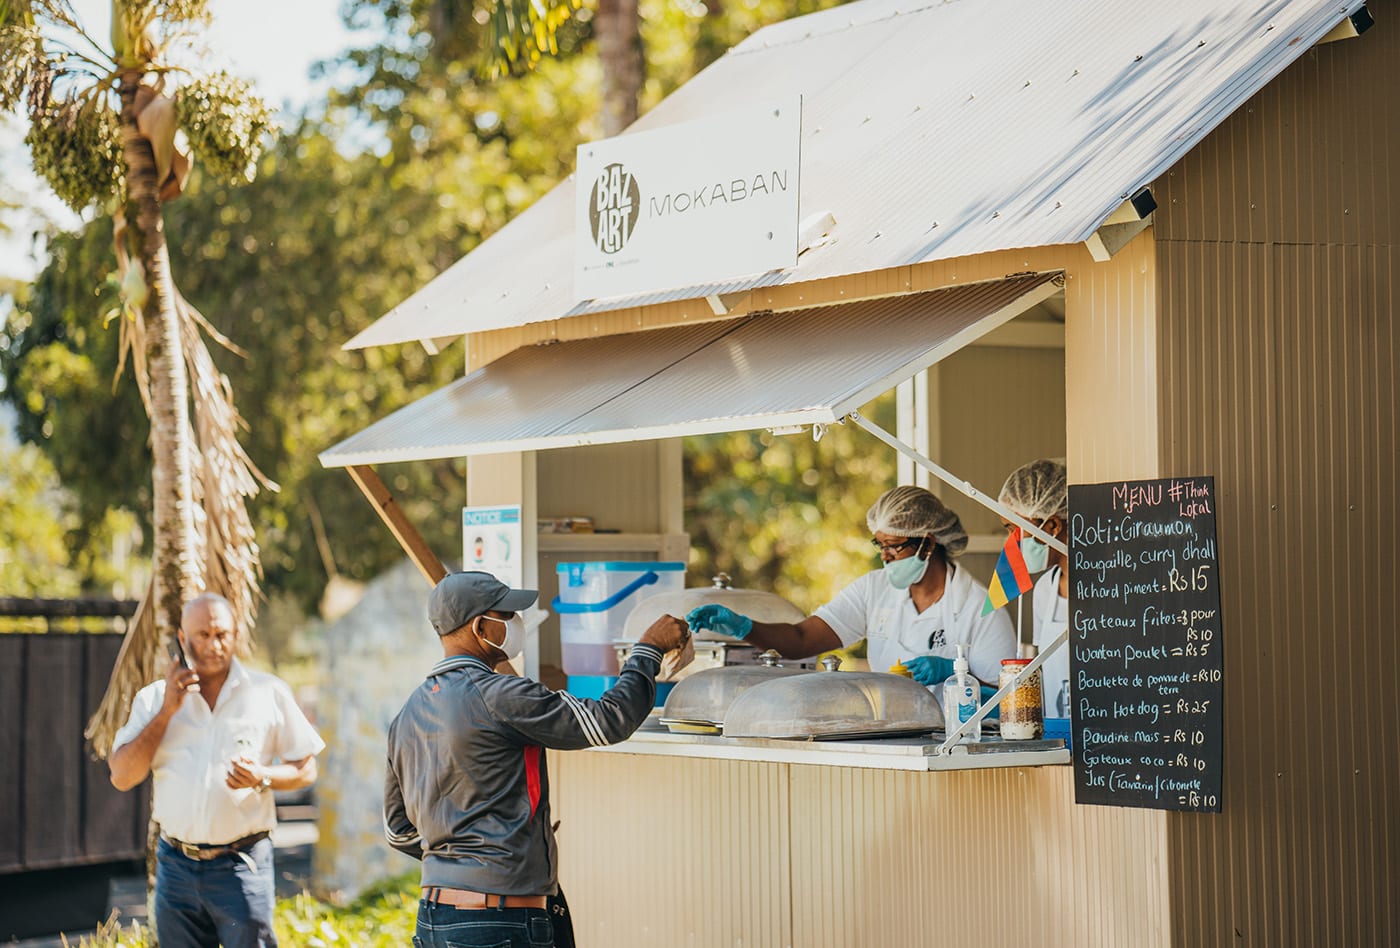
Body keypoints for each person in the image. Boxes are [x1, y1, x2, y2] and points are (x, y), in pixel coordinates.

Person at [384, 570, 690, 948]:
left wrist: (462, 859)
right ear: (481, 626)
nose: (516, 622)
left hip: (435, 918)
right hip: (500, 922)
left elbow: (399, 831)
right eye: (508, 614)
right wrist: (647, 650)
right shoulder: (500, 694)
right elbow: (608, 721)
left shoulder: (407, 714)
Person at [109, 592, 324, 947]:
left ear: (236, 634)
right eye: (202, 635)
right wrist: (167, 712)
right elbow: (122, 776)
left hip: (242, 865)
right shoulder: (153, 699)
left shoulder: (268, 692)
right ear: (182, 638)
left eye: (222, 634)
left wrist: (263, 777)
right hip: (176, 865)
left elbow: (307, 770)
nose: (213, 644)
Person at [686, 485, 1016, 701]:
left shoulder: (980, 608)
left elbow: (1008, 698)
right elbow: (802, 639)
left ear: (928, 543)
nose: (884, 556)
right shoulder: (874, 589)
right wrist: (745, 627)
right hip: (894, 733)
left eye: (894, 547)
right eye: (880, 545)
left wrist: (958, 677)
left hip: (959, 746)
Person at [998, 458, 1071, 717]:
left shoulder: (1112, 588)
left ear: (1052, 526)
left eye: (1013, 529)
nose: (1010, 542)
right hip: (1055, 733)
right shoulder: (1044, 590)